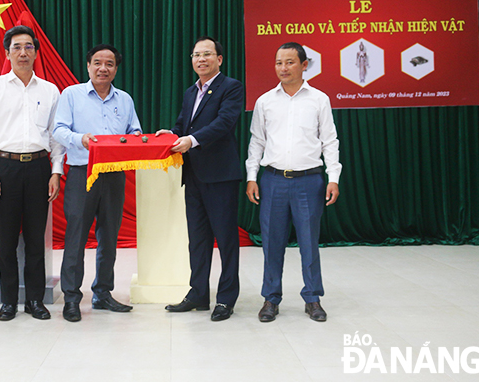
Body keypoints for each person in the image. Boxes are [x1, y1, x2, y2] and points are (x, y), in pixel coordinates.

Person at [246, 42, 341, 323]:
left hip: (309, 181)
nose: (283, 68)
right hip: (273, 180)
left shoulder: (319, 99)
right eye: (278, 63)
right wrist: (252, 177)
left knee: (309, 242)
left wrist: (333, 177)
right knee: (272, 243)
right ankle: (270, 298)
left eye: (289, 62)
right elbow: (257, 142)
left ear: (304, 65)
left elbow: (330, 141)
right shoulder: (265, 101)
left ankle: (312, 298)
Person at [0, 26, 65, 321]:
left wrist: (55, 171)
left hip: (40, 167)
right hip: (5, 168)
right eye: (17, 47)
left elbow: (55, 136)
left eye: (29, 47)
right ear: (7, 53)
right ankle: (7, 301)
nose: (23, 52)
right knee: (5, 239)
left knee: (35, 239)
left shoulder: (50, 90)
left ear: (36, 53)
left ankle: (35, 301)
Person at [53, 44, 141, 322]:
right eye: (98, 63)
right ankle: (71, 297)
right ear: (88, 65)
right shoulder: (72, 95)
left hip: (114, 174)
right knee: (76, 236)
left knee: (109, 237)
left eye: (110, 64)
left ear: (116, 69)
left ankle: (103, 293)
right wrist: (81, 139)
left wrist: (139, 140)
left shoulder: (124, 99)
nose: (103, 68)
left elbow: (134, 132)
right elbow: (58, 129)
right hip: (82, 173)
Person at [158, 36, 244, 322]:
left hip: (220, 176)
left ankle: (226, 299)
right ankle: (197, 294)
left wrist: (191, 140)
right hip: (193, 176)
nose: (201, 59)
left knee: (226, 240)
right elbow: (184, 124)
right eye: (196, 55)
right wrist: (169, 134)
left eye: (207, 54)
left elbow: (224, 123)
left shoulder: (231, 87)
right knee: (197, 240)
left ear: (219, 59)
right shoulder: (190, 91)